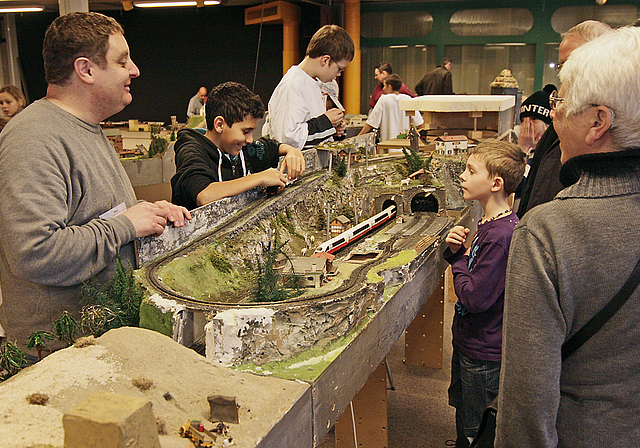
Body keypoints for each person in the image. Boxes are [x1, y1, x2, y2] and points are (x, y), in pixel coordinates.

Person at [0, 12, 191, 354]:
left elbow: (96, 213)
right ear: (85, 69)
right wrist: (124, 227)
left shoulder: (87, 128)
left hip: (98, 341)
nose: (135, 71)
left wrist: (143, 215)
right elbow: (35, 254)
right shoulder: (33, 138)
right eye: (122, 61)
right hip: (57, 355)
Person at [497, 26, 640, 448]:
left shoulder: (548, 233)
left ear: (598, 121)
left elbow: (527, 405)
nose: (553, 114)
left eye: (560, 103)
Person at [443, 140, 526, 448]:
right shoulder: (490, 223)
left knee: (476, 427)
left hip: (484, 351)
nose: (463, 176)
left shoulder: (502, 235)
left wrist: (459, 259)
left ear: (496, 183)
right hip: (471, 341)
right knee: (465, 413)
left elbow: (474, 298)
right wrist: (458, 253)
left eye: (470, 170)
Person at [516, 20, 611, 218]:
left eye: (572, 63)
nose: (564, 72)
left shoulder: (607, 134)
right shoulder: (559, 126)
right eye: (561, 65)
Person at [171, 81, 305, 210]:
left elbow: (273, 147)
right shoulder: (190, 150)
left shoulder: (244, 149)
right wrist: (260, 178)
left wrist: (291, 151)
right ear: (219, 124)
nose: (250, 140)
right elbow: (204, 195)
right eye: (245, 132)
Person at [262, 24, 354, 150]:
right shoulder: (293, 85)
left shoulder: (313, 82)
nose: (337, 75)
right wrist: (326, 121)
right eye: (339, 69)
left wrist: (332, 130)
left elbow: (310, 132)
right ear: (325, 60)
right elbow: (288, 139)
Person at [358, 74, 424, 142]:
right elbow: (420, 123)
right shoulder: (407, 99)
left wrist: (359, 136)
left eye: (384, 86)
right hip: (405, 144)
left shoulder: (383, 99)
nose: (383, 89)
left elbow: (371, 122)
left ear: (390, 87)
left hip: (387, 143)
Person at [517, 84, 555, 157]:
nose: (527, 124)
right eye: (523, 120)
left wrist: (523, 149)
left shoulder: (553, 154)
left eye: (533, 119)